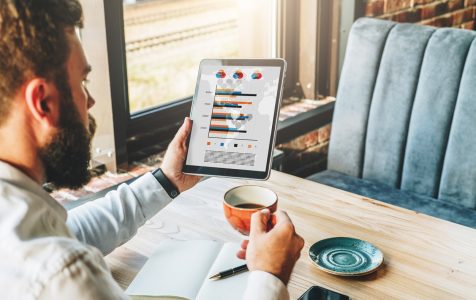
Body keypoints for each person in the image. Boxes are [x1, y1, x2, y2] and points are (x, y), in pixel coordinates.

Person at [0, 1, 304, 299]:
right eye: (82, 82)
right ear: (43, 102)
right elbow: (63, 262)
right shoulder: (64, 275)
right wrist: (270, 275)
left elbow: (70, 233)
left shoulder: (21, 222)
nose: (90, 101)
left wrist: (166, 180)